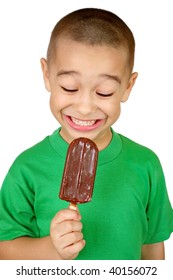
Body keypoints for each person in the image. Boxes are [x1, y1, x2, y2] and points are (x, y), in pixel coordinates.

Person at [0, 8, 173, 260]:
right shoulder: (27, 168)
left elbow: (151, 247)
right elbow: (4, 250)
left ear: (128, 86)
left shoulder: (146, 164)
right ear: (47, 75)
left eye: (104, 92)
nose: (84, 107)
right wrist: (51, 249)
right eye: (69, 87)